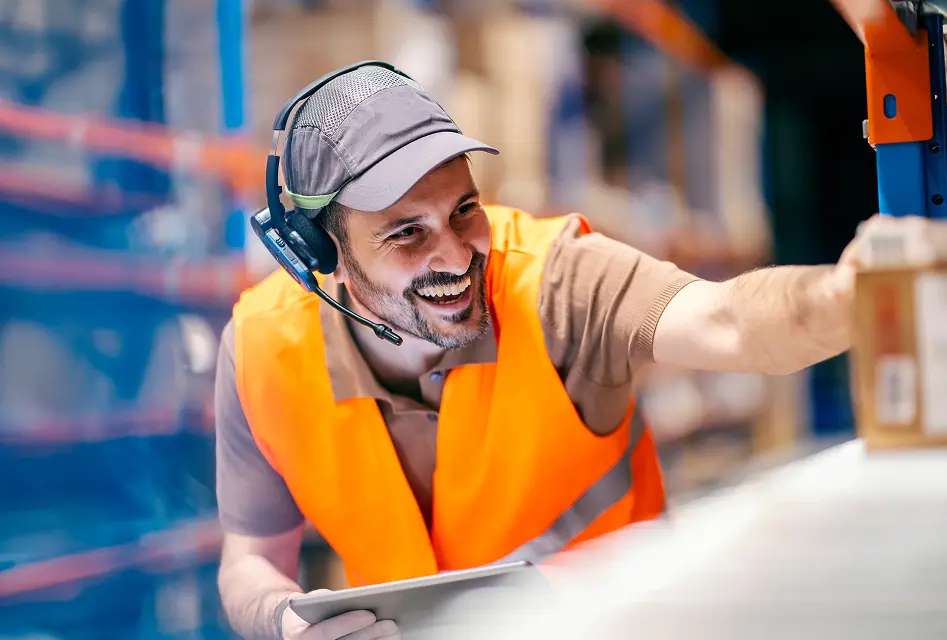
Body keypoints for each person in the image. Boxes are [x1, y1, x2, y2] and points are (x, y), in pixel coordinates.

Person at [215, 63, 874, 640]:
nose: (454, 254)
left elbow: (729, 321)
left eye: (464, 209)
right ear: (323, 255)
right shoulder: (262, 351)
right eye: (407, 234)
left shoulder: (556, 282)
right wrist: (283, 618)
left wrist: (853, 293)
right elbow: (249, 558)